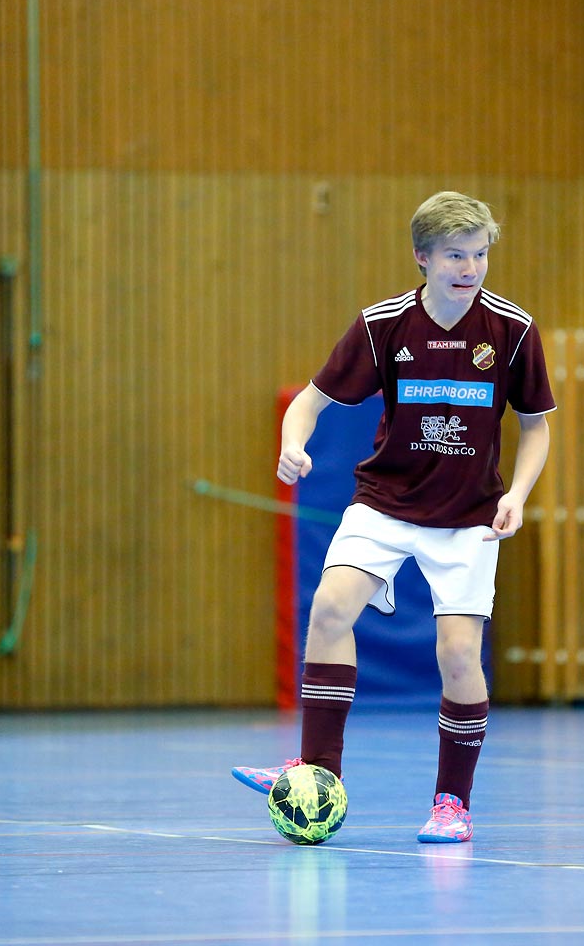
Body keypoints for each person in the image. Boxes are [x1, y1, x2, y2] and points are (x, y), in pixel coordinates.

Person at [231, 191, 555, 843]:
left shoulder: (513, 330)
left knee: (460, 655)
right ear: (422, 257)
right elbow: (311, 402)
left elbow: (536, 427)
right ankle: (316, 766)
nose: (470, 269)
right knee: (328, 609)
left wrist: (517, 494)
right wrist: (292, 445)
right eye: (455, 256)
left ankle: (452, 804)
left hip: (467, 517)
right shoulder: (383, 326)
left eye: (480, 255)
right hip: (384, 502)